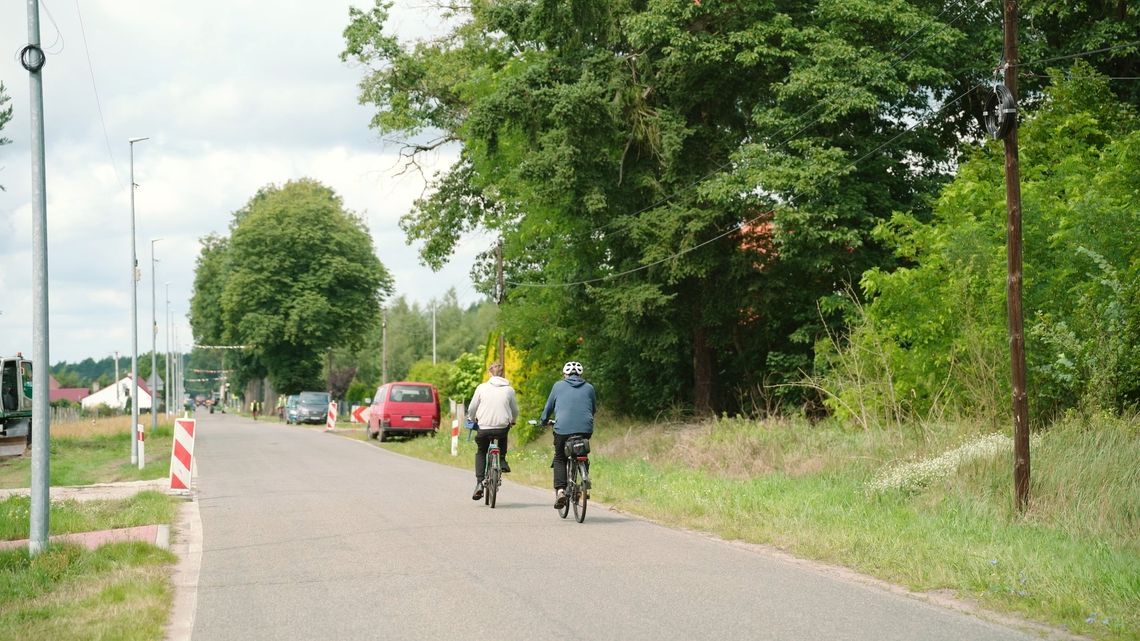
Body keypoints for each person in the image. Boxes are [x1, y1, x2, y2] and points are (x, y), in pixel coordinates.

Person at [539, 361, 596, 509]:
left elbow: (548, 407)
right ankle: (584, 483)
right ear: (580, 374)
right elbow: (593, 409)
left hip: (562, 429)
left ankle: (561, 491)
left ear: (565, 374)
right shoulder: (589, 387)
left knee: (559, 457)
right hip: (585, 429)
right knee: (581, 451)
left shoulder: (558, 385)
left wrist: (544, 420)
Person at [466, 361, 519, 500]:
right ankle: (501, 460)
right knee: (503, 434)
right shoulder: (509, 389)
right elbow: (515, 410)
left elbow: (472, 408)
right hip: (502, 428)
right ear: (503, 374)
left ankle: (479, 483)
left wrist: (471, 418)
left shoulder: (481, 388)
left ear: (489, 372)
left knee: (482, 451)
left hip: (483, 428)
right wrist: (513, 420)